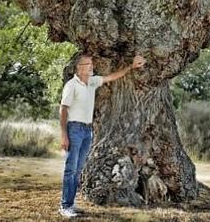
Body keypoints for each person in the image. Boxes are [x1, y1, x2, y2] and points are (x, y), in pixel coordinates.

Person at [58, 53, 146, 218]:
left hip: (87, 131)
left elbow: (112, 76)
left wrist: (131, 67)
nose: (91, 66)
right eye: (87, 64)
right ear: (78, 68)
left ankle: (71, 204)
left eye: (91, 63)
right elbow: (63, 109)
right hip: (74, 129)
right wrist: (64, 134)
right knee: (71, 170)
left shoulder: (92, 82)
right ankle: (64, 206)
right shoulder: (72, 85)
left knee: (78, 171)